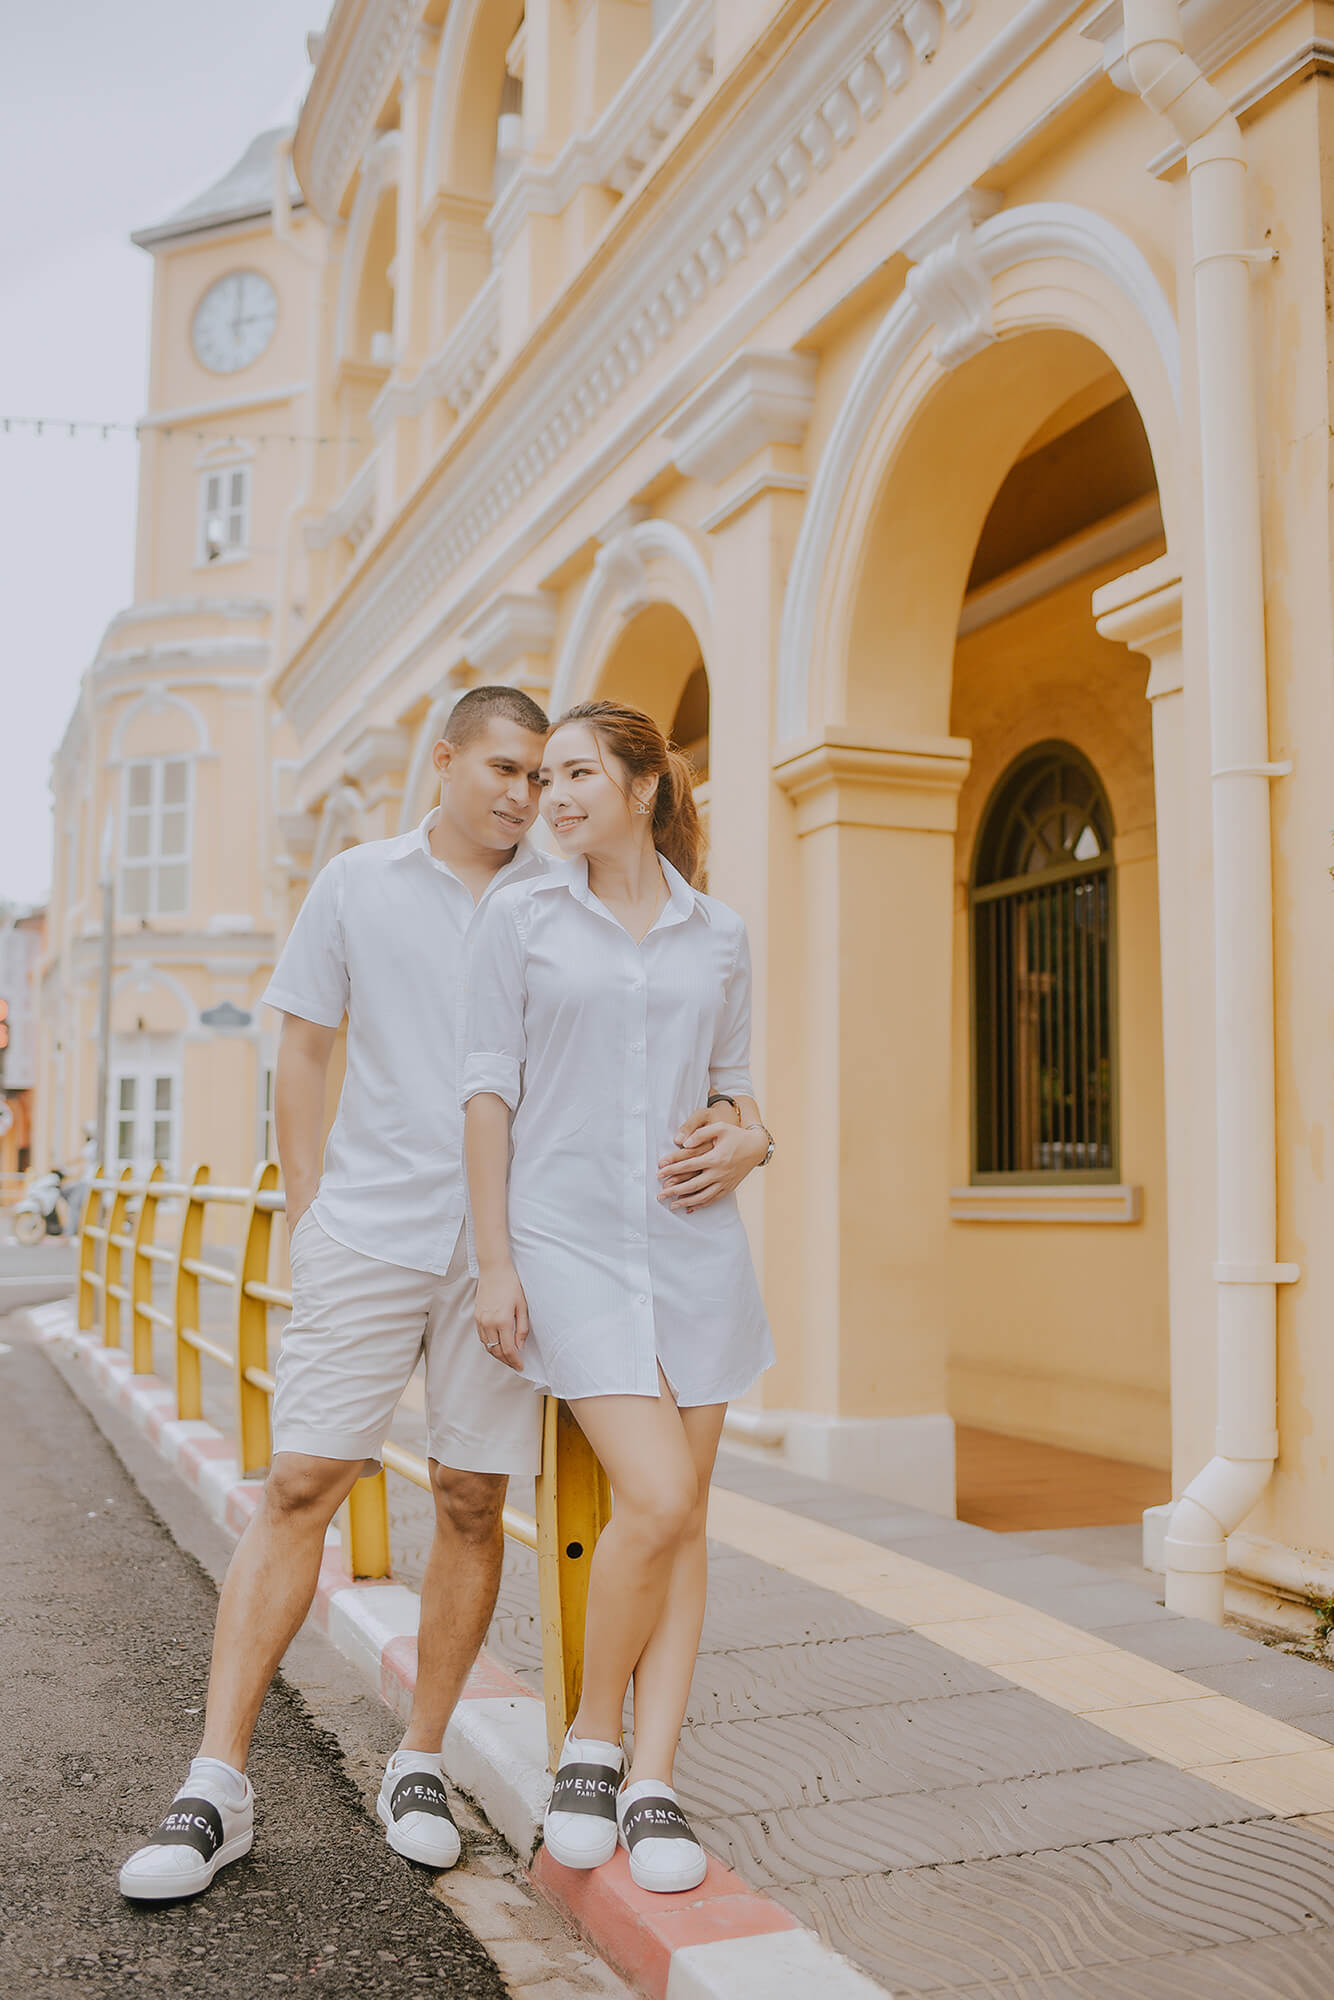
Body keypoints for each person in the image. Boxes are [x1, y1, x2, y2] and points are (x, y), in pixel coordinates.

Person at [118, 687, 556, 1901]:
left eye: (538, 776)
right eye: (505, 769)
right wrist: (309, 1218)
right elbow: (302, 1048)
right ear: (447, 757)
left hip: (501, 1249)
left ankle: (418, 1758)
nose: (523, 795)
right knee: (301, 1483)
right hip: (366, 1233)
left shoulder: (554, 892)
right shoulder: (359, 881)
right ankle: (215, 1781)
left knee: (472, 1499)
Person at [461, 699, 774, 1896]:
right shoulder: (520, 916)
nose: (552, 795)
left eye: (579, 772)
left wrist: (754, 1144)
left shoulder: (718, 935)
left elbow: (738, 1095)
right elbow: (486, 1092)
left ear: (644, 786)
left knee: (683, 1511)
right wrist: (496, 1259)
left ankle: (653, 1775)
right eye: (544, 777)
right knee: (651, 1490)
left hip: (694, 1250)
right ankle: (590, 1741)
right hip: (568, 1244)